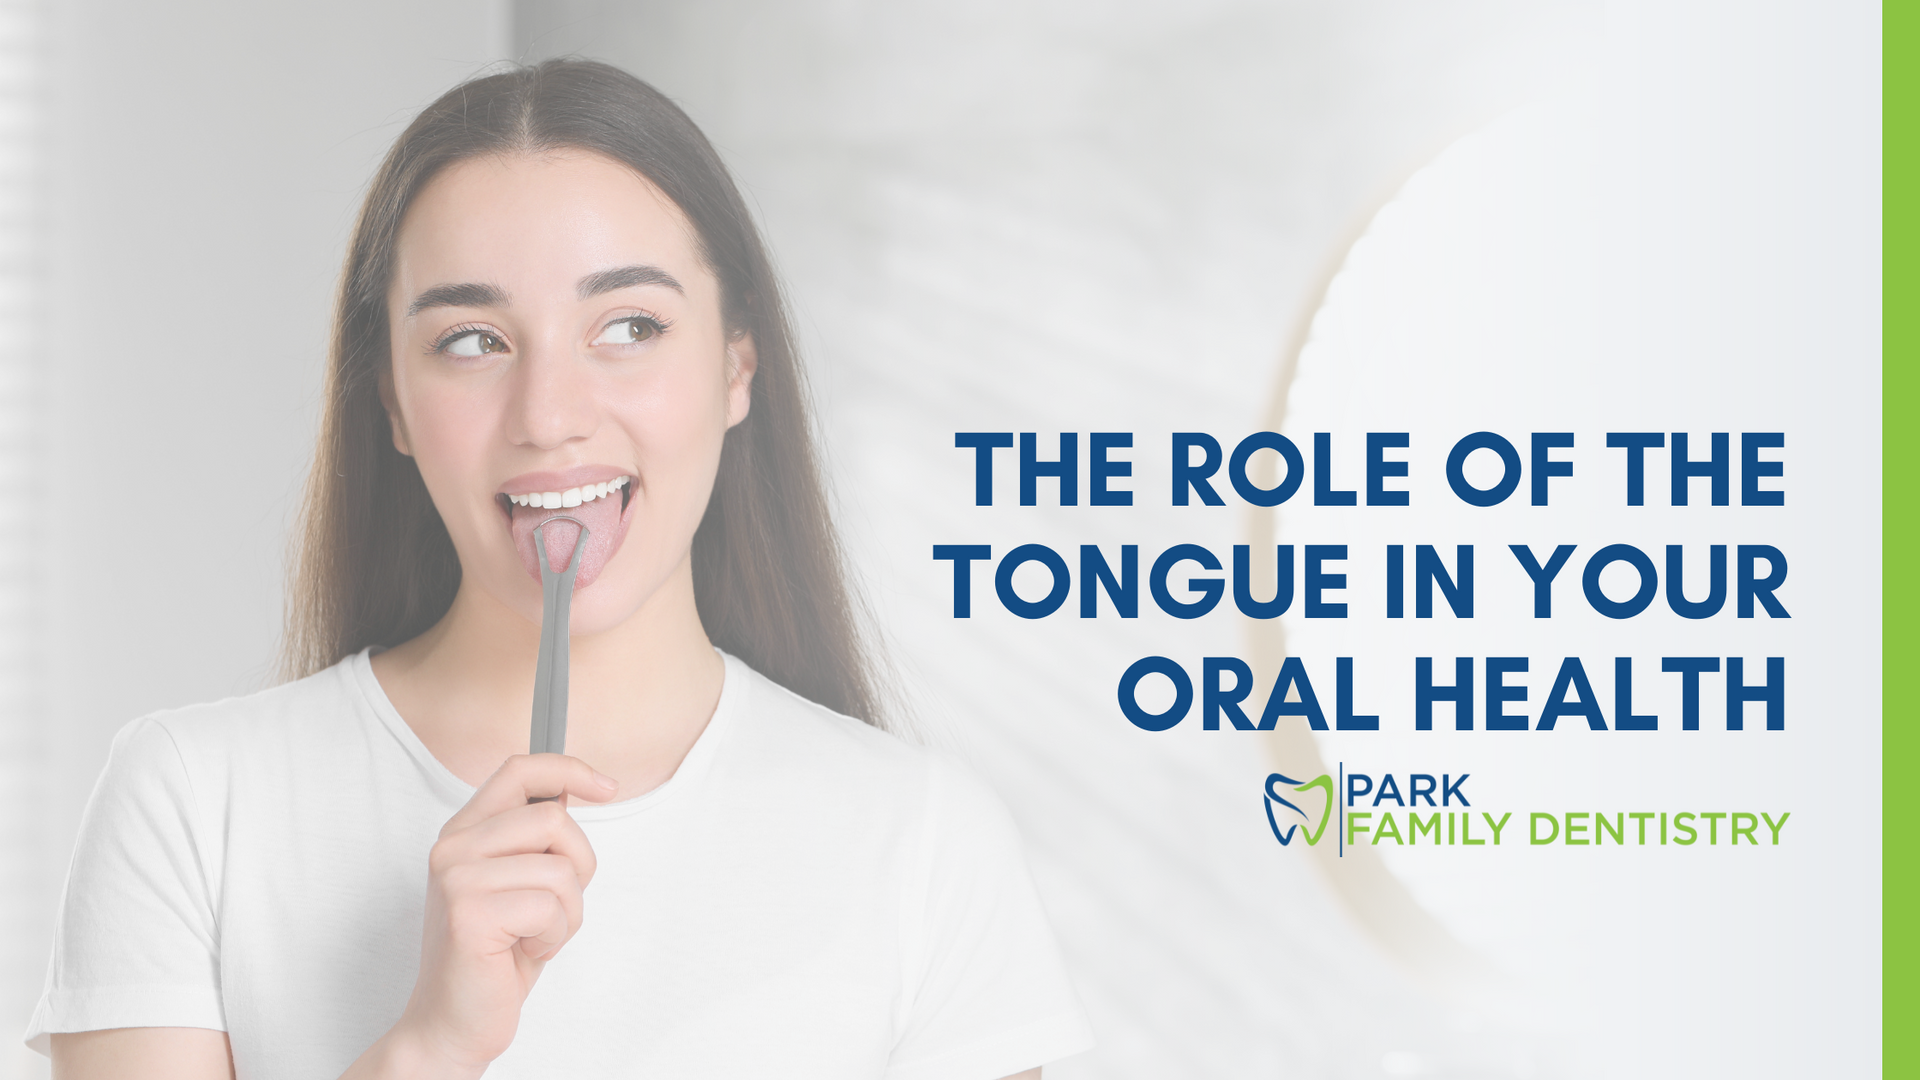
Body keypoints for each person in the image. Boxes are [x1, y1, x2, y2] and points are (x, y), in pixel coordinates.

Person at [30, 59, 1093, 1080]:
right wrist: (430, 1049)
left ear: (736, 366)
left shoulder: (920, 843)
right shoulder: (192, 805)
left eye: (628, 326)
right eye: (472, 340)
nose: (549, 415)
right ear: (392, 403)